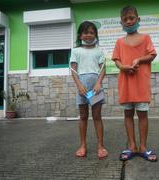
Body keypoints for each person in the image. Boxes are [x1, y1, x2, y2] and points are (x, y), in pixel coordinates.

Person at [112, 5, 157, 162]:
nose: (129, 21)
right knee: (128, 115)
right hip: (126, 85)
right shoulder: (119, 42)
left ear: (138, 20)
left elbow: (152, 55)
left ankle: (143, 147)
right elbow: (117, 61)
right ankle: (132, 146)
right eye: (125, 19)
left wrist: (138, 59)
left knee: (143, 115)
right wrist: (124, 67)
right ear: (121, 23)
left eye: (131, 18)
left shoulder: (146, 38)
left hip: (141, 85)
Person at [70, 21, 108, 159]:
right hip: (82, 89)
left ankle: (100, 146)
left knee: (97, 117)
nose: (89, 35)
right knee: (83, 117)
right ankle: (83, 145)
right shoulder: (76, 51)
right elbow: (73, 69)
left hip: (96, 89)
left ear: (95, 35)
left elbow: (103, 68)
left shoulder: (99, 51)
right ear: (80, 35)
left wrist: (98, 83)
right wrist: (79, 85)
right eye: (86, 32)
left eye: (92, 32)